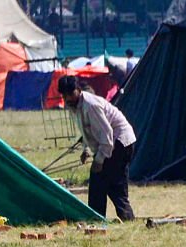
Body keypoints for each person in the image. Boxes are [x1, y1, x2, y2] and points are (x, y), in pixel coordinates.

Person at [58, 75, 137, 220]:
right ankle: (116, 217)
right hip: (111, 142)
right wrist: (86, 150)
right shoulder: (74, 106)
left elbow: (107, 135)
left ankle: (98, 218)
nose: (68, 98)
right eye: (65, 95)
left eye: (71, 93)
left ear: (78, 90)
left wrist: (99, 160)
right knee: (108, 183)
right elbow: (87, 130)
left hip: (119, 141)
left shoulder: (91, 105)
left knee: (103, 181)